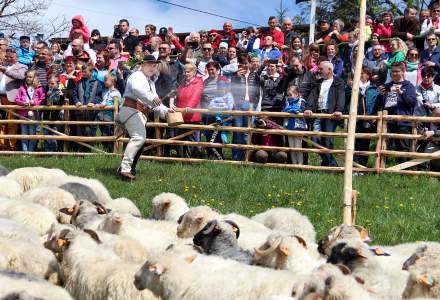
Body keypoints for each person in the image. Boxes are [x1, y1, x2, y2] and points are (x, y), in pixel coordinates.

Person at [118, 55, 172, 180]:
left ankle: (127, 168)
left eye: (154, 65)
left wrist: (166, 111)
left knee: (140, 143)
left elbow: (156, 104)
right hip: (131, 110)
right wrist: (152, 98)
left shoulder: (151, 83)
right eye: (149, 64)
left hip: (139, 113)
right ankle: (125, 169)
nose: (152, 67)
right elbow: (137, 90)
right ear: (142, 64)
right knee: (139, 138)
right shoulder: (136, 75)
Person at [304, 61, 345, 166]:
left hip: (331, 115)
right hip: (318, 114)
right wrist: (308, 108)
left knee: (327, 140)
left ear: (330, 70)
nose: (319, 70)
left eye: (321, 69)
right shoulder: (318, 83)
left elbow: (341, 97)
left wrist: (339, 109)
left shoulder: (338, 82)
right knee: (315, 140)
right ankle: (330, 163)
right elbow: (312, 97)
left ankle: (330, 164)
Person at [377, 62, 417, 159]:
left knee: (403, 148)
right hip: (388, 122)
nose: (394, 73)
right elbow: (379, 106)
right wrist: (380, 95)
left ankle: (404, 172)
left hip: (403, 122)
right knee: (385, 147)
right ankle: (384, 171)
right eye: (392, 71)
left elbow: (413, 103)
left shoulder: (409, 86)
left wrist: (402, 93)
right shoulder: (386, 86)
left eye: (397, 71)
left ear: (403, 72)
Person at [231, 55, 260, 160]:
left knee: (247, 133)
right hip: (239, 104)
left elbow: (257, 92)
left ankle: (246, 158)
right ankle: (236, 158)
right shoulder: (235, 75)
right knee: (238, 131)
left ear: (250, 64)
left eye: (246, 63)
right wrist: (236, 78)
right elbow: (232, 90)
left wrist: (255, 105)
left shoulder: (255, 75)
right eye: (242, 63)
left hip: (250, 105)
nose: (244, 65)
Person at [0, 47, 27, 151]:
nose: (8, 58)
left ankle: (12, 147)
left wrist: (5, 70)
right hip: (0, 97)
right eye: (7, 56)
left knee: (12, 123)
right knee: (1, 123)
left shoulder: (22, 66)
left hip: (11, 99)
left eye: (11, 57)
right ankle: (2, 146)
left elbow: (20, 76)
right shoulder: (3, 65)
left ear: (17, 57)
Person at [174, 63, 203, 158]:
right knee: (180, 138)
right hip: (181, 116)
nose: (185, 73)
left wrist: (189, 107)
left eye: (188, 72)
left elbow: (196, 95)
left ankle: (189, 159)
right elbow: (178, 97)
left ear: (194, 72)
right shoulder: (182, 83)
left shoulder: (198, 83)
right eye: (184, 71)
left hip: (192, 116)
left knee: (191, 140)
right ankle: (180, 158)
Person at [15, 70, 45, 152]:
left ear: (35, 78)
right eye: (27, 76)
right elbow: (17, 99)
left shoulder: (39, 88)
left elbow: (42, 100)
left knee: (32, 133)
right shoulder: (22, 88)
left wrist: (34, 102)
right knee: (24, 133)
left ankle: (30, 152)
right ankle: (25, 152)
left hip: (34, 114)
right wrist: (22, 103)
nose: (28, 78)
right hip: (23, 113)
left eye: (30, 77)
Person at [96, 74, 121, 152]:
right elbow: (103, 101)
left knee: (108, 135)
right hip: (102, 118)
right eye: (104, 80)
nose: (104, 82)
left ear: (112, 82)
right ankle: (106, 151)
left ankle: (110, 152)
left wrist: (105, 105)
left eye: (106, 80)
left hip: (110, 119)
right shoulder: (105, 92)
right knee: (103, 135)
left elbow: (117, 103)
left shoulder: (116, 93)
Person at [283, 85, 307, 164]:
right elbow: (285, 110)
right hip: (289, 126)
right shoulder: (287, 102)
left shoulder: (301, 101)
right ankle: (294, 165)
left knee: (298, 147)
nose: (289, 97)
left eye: (291, 95)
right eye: (288, 95)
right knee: (291, 147)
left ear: (296, 94)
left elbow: (301, 110)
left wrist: (293, 110)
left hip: (298, 127)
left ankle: (300, 164)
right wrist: (293, 110)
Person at [43, 75, 64, 152]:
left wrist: (62, 96)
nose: (50, 85)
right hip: (47, 116)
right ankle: (47, 151)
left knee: (55, 135)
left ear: (57, 84)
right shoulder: (46, 91)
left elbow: (60, 104)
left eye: (52, 83)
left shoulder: (60, 91)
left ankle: (55, 151)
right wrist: (47, 96)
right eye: (49, 83)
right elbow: (45, 103)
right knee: (46, 134)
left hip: (56, 117)